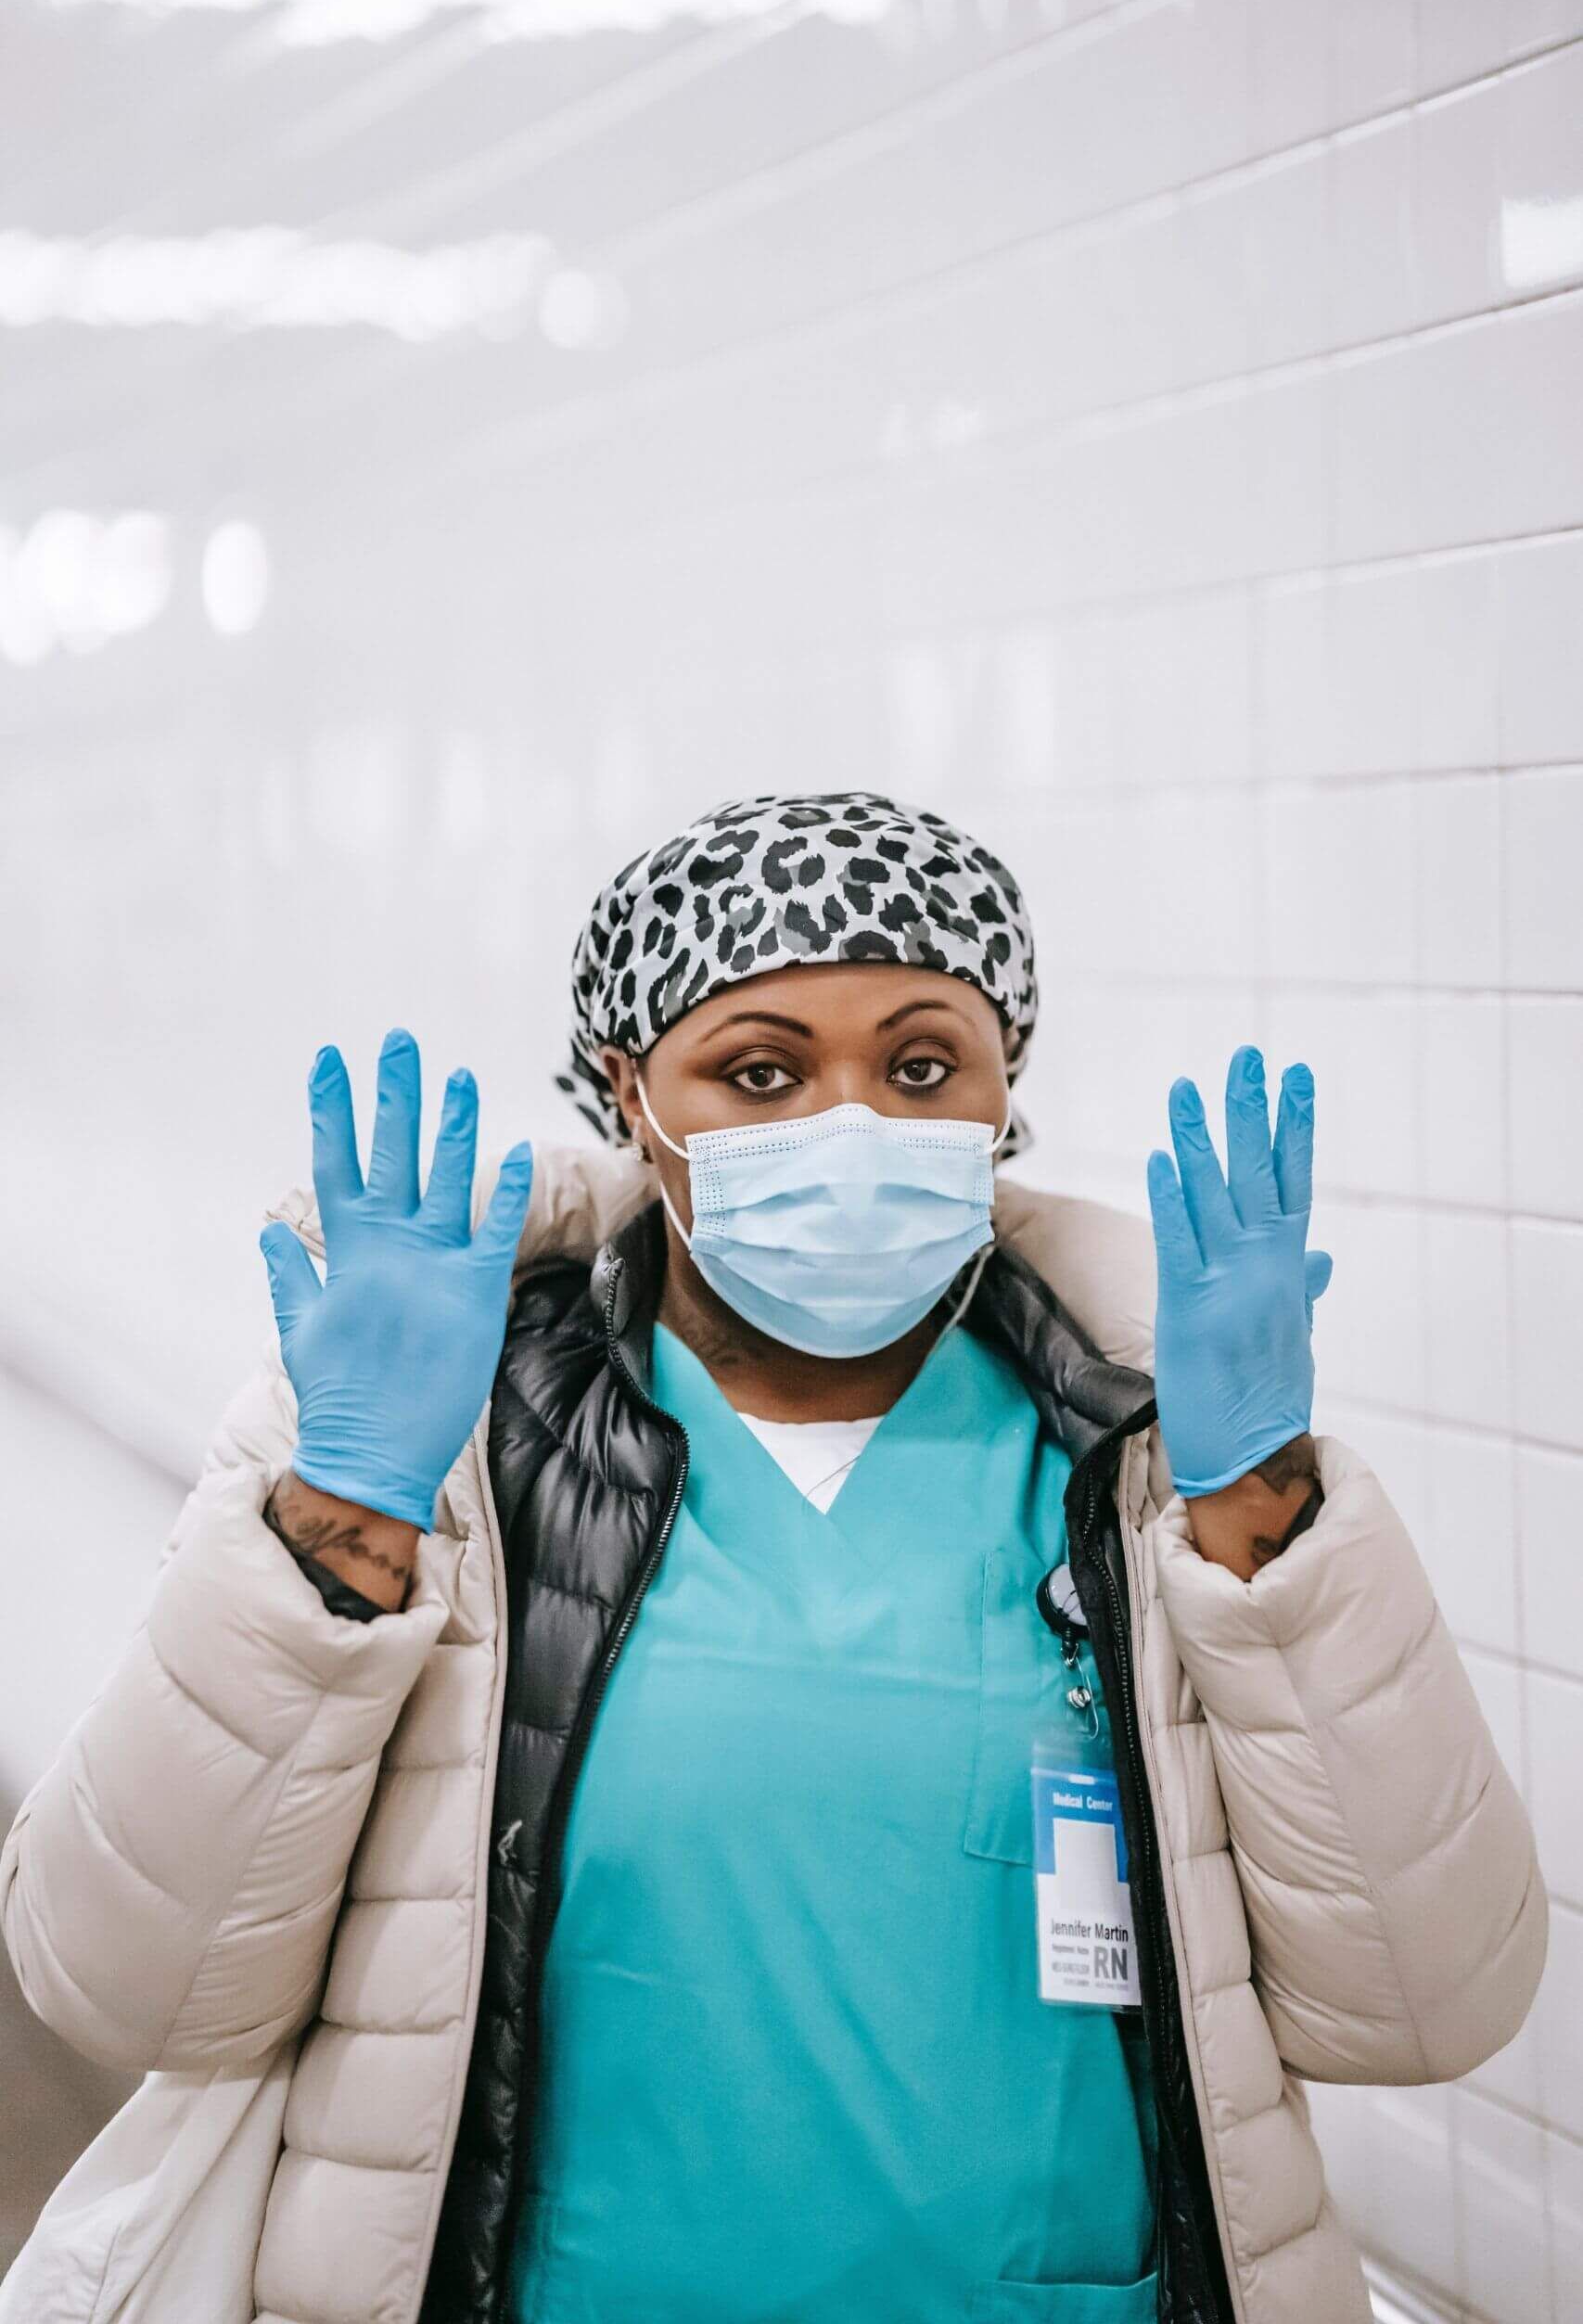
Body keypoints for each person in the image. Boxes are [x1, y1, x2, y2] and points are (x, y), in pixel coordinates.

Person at [0, 790, 1546, 2324]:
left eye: (924, 1064)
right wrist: (340, 1523)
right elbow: (129, 1978)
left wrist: (1263, 1513)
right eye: (761, 1072)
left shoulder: (1144, 1459)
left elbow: (1427, 2001)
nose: (853, 1125)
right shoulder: (455, 1445)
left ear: (1007, 1097)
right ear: (632, 1095)